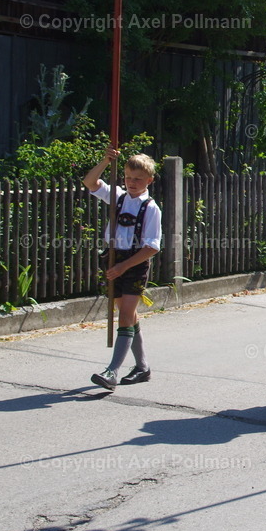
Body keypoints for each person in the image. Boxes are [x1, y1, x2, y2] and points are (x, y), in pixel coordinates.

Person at [84, 148, 162, 390]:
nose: (132, 182)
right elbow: (89, 182)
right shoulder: (117, 196)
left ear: (149, 180)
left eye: (138, 179)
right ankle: (143, 367)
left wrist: (123, 266)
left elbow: (152, 247)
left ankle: (112, 372)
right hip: (112, 259)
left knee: (125, 315)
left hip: (135, 263)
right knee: (129, 315)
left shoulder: (151, 208)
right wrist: (106, 161)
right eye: (128, 177)